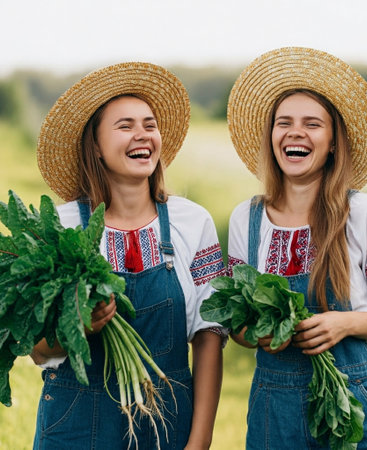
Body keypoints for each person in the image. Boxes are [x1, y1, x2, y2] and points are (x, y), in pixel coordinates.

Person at [226, 47, 367, 449]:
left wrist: (344, 323)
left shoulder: (364, 214)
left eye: (312, 124)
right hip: (275, 406)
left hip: (361, 398)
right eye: (284, 123)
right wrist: (260, 334)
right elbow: (238, 326)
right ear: (271, 138)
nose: (296, 132)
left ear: (333, 142)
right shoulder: (246, 220)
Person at [30, 62, 227, 449]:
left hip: (167, 419)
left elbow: (209, 336)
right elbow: (38, 348)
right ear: (97, 148)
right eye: (125, 126)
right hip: (75, 421)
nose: (143, 135)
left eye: (149, 125)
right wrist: (79, 327)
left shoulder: (193, 222)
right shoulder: (60, 227)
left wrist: (200, 440)